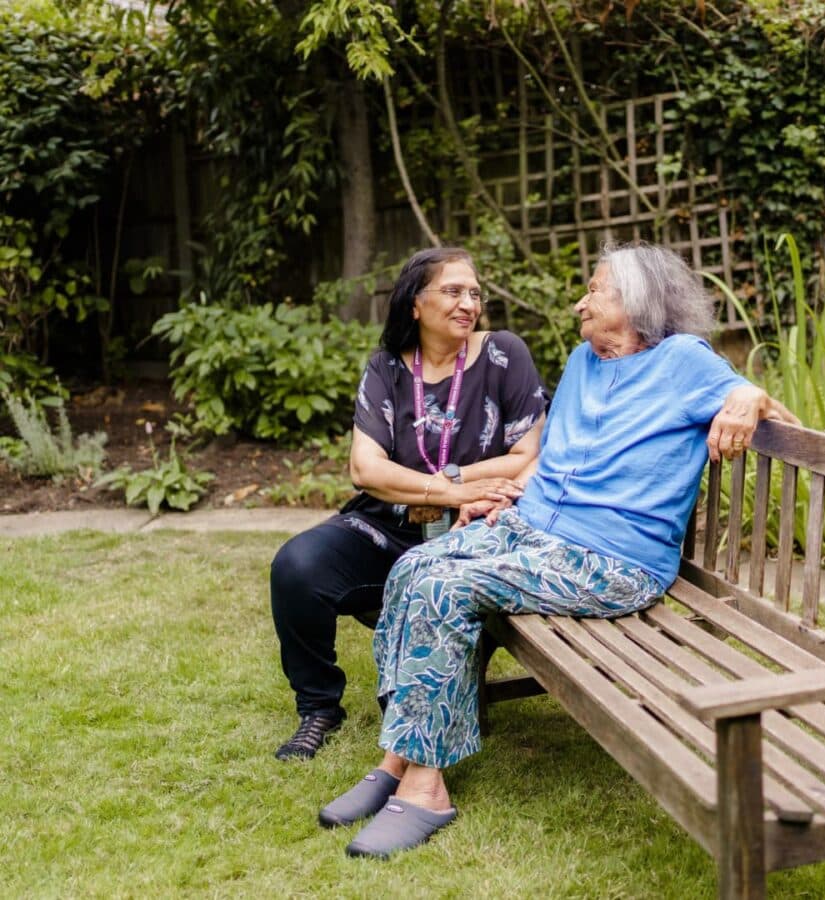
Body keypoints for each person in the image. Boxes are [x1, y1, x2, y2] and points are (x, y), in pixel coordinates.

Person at [316, 241, 799, 856]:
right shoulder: (584, 361)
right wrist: (509, 495)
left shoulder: (683, 362)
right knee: (414, 565)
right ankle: (398, 759)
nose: (581, 303)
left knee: (445, 587)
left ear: (636, 302)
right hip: (540, 532)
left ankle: (427, 788)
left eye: (595, 291)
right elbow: (557, 461)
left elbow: (770, 408)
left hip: (613, 561)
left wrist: (746, 396)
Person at [269, 247, 548, 760]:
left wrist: (452, 486)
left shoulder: (505, 355)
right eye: (453, 291)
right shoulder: (386, 370)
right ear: (414, 305)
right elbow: (365, 469)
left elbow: (526, 454)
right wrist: (440, 492)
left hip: (475, 531)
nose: (468, 303)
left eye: (475, 293)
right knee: (297, 567)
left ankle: (434, 695)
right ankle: (319, 708)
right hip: (390, 526)